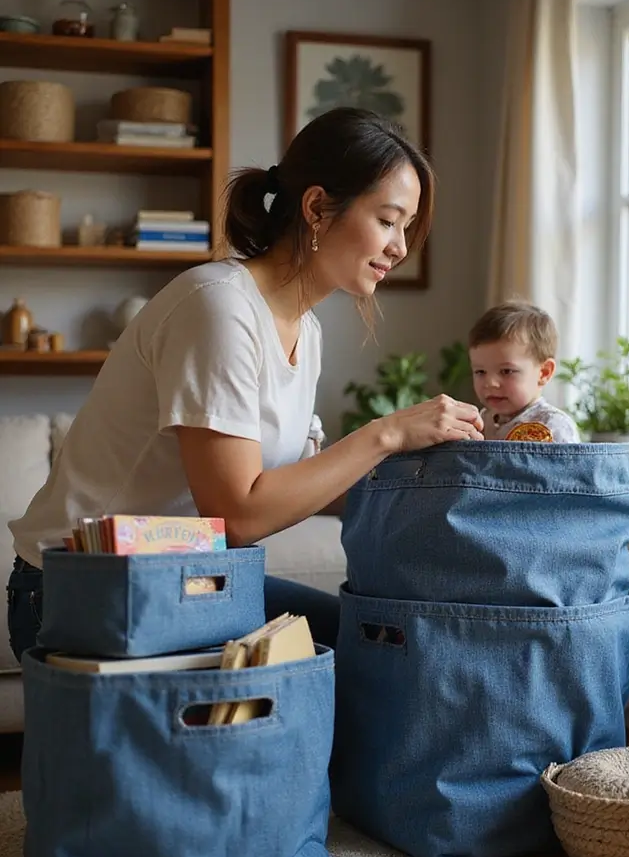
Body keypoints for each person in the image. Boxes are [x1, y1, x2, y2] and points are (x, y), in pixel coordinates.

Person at [7, 106, 485, 663]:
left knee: (386, 643)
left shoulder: (305, 328)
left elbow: (299, 484)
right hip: (80, 594)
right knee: (365, 658)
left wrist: (445, 481)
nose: (401, 247)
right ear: (316, 208)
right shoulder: (218, 307)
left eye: (406, 227)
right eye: (387, 220)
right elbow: (239, 515)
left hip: (185, 583)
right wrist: (386, 435)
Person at [467, 301, 580, 442]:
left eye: (506, 371)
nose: (490, 383)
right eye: (480, 372)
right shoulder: (480, 422)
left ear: (544, 372)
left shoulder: (553, 425)